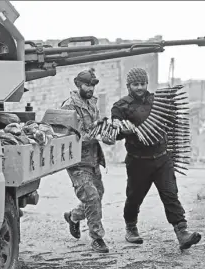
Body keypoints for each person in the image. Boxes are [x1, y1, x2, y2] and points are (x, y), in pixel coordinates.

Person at [110, 67, 202, 250]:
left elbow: (173, 123)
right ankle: (131, 228)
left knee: (170, 194)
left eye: (143, 83)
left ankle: (182, 232)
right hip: (138, 161)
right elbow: (114, 133)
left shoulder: (159, 101)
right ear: (128, 86)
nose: (140, 87)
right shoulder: (121, 106)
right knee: (134, 197)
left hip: (162, 159)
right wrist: (122, 130)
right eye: (135, 84)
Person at [61, 68, 114, 253]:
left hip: (92, 159)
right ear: (78, 84)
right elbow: (66, 136)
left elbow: (96, 126)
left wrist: (106, 134)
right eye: (86, 85)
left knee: (97, 196)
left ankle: (73, 217)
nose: (90, 88)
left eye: (92, 85)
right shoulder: (69, 106)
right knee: (91, 197)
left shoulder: (92, 103)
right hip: (76, 162)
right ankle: (97, 238)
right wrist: (94, 135)